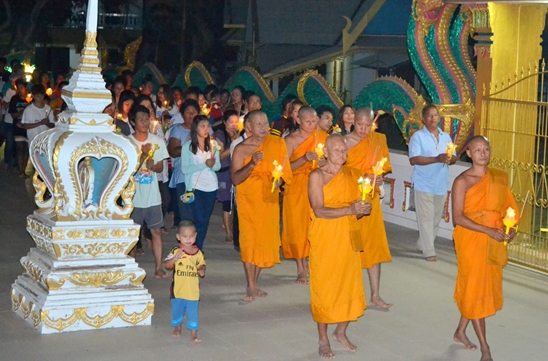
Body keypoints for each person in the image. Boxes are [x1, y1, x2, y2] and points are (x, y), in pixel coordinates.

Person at [451, 136, 518, 361]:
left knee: (476, 290)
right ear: (468, 153)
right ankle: (485, 349)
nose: (483, 153)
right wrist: (487, 230)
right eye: (477, 149)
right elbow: (458, 218)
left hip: (494, 240)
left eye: (486, 149)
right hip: (471, 240)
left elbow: (509, 209)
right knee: (475, 288)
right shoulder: (463, 181)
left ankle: (460, 331)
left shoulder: (499, 178)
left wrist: (511, 227)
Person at [308, 133, 371, 359]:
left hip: (348, 236)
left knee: (350, 285)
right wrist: (350, 210)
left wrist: (361, 208)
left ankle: (341, 332)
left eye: (344, 151)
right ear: (325, 152)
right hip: (326, 238)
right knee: (325, 288)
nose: (342, 154)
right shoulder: (317, 176)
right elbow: (319, 210)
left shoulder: (352, 175)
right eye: (336, 150)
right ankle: (323, 339)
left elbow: (358, 205)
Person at [231, 110, 292, 302]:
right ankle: (250, 285)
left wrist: (279, 181)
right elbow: (235, 179)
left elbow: (284, 171)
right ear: (248, 127)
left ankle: (254, 283)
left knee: (263, 241)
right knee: (250, 242)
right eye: (259, 124)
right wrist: (251, 165)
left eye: (266, 123)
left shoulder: (277, 142)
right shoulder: (241, 149)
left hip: (269, 200)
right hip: (249, 201)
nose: (264, 127)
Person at [344, 107, 393, 309]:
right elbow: (339, 172)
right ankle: (349, 294)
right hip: (350, 200)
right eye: (360, 124)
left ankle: (375, 295)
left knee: (373, 247)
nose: (364, 129)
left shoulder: (378, 140)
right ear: (354, 121)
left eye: (368, 125)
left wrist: (379, 177)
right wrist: (362, 177)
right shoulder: (344, 143)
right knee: (350, 248)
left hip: (370, 201)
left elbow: (382, 166)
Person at [282, 107, 327, 284]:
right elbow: (285, 169)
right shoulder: (290, 140)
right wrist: (304, 159)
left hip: (317, 184)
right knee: (298, 226)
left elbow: (335, 160)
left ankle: (314, 262)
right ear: (298, 120)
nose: (311, 125)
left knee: (316, 224)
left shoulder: (322, 137)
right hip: (296, 187)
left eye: (314, 121)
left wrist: (325, 161)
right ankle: (301, 267)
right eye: (307, 121)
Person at [408, 104, 457, 261]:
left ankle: (422, 243)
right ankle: (429, 251)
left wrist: (450, 159)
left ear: (439, 118)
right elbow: (414, 159)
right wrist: (436, 159)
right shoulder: (418, 137)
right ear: (424, 119)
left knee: (435, 219)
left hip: (440, 184)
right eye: (429, 115)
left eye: (435, 115)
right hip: (423, 184)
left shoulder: (446, 137)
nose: (433, 118)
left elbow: (454, 157)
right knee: (426, 219)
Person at [128, 104, 170, 279]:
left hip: (152, 196)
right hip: (133, 197)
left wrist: (153, 163)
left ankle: (159, 269)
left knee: (156, 232)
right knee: (132, 235)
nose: (144, 123)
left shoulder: (157, 141)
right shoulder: (128, 143)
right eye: (140, 119)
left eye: (147, 119)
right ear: (132, 122)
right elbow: (127, 170)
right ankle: (129, 271)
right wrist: (144, 156)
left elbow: (160, 167)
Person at [180, 115, 221, 251]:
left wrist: (213, 162)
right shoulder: (188, 147)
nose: (206, 129)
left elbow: (217, 167)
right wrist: (204, 164)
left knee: (205, 220)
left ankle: (198, 249)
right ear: (195, 128)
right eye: (202, 126)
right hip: (196, 187)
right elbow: (185, 169)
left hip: (211, 186)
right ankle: (196, 248)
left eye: (207, 126)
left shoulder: (212, 145)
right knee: (199, 220)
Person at [164, 220, 206, 343]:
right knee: (177, 311)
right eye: (185, 236)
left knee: (193, 313)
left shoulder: (198, 253)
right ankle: (177, 326)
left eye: (191, 236)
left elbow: (202, 265)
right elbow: (167, 265)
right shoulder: (175, 251)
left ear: (196, 236)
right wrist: (175, 259)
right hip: (178, 290)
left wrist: (201, 270)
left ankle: (193, 334)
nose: (188, 239)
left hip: (193, 291)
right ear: (178, 237)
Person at [168, 99, 200, 227]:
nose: (191, 115)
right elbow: (173, 151)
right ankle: (186, 240)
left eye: (194, 112)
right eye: (188, 112)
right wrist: (192, 147)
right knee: (186, 212)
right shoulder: (177, 130)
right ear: (182, 114)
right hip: (183, 175)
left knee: (198, 212)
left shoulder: (204, 129)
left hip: (200, 176)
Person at [214, 110, 240, 243]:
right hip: (224, 173)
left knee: (235, 202)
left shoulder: (240, 135)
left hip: (236, 171)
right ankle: (228, 233)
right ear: (224, 122)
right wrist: (233, 143)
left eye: (236, 122)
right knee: (226, 203)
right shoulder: (219, 135)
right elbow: (219, 156)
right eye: (231, 122)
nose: (234, 125)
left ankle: (231, 227)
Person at [9, 79, 31, 177]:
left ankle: (23, 168)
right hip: (18, 127)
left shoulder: (30, 98)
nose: (20, 90)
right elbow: (13, 115)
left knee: (26, 149)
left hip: (29, 127)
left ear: (25, 87)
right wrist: (22, 112)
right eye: (18, 88)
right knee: (19, 147)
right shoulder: (14, 99)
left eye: (21, 88)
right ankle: (20, 170)